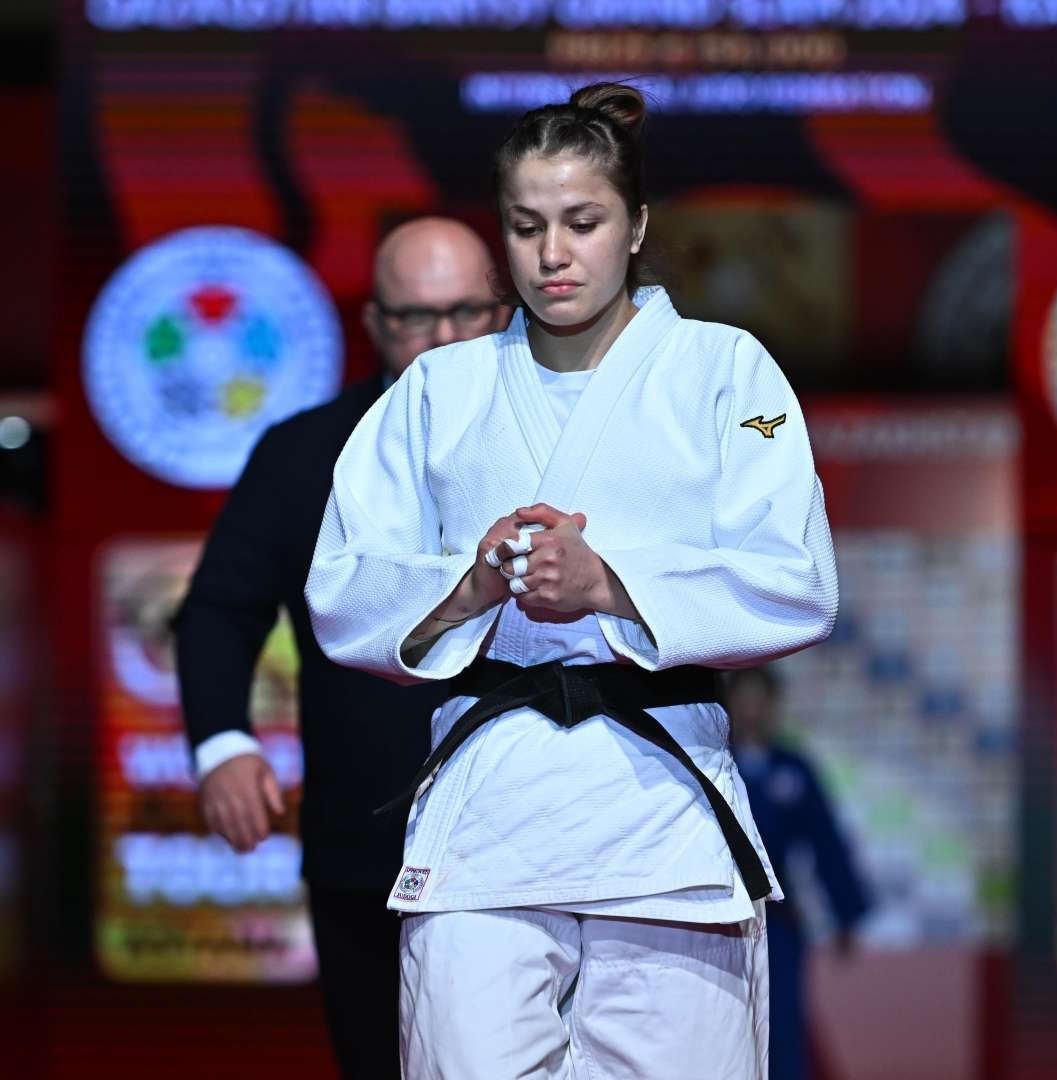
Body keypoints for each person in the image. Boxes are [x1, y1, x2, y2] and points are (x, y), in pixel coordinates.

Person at [304, 83, 840, 1078]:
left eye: (583, 223)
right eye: (526, 226)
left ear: (636, 226)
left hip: (664, 819)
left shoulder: (727, 373)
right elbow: (341, 587)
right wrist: (468, 588)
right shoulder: (439, 389)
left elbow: (796, 578)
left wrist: (611, 585)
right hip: (486, 818)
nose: (553, 254)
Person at [172, 217, 506, 1080]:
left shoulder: (566, 443)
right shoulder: (304, 453)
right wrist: (223, 743)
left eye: (467, 312)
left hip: (541, 845)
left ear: (504, 312)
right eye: (416, 317)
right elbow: (218, 609)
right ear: (375, 324)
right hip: (367, 846)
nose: (443, 339)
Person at [726, 665, 872, 1080]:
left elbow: (826, 842)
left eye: (760, 701)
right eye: (744, 700)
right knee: (720, 1020)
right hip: (718, 915)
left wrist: (845, 912)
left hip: (777, 918)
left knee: (782, 1019)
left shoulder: (793, 770)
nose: (752, 711)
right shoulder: (713, 763)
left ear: (774, 706)